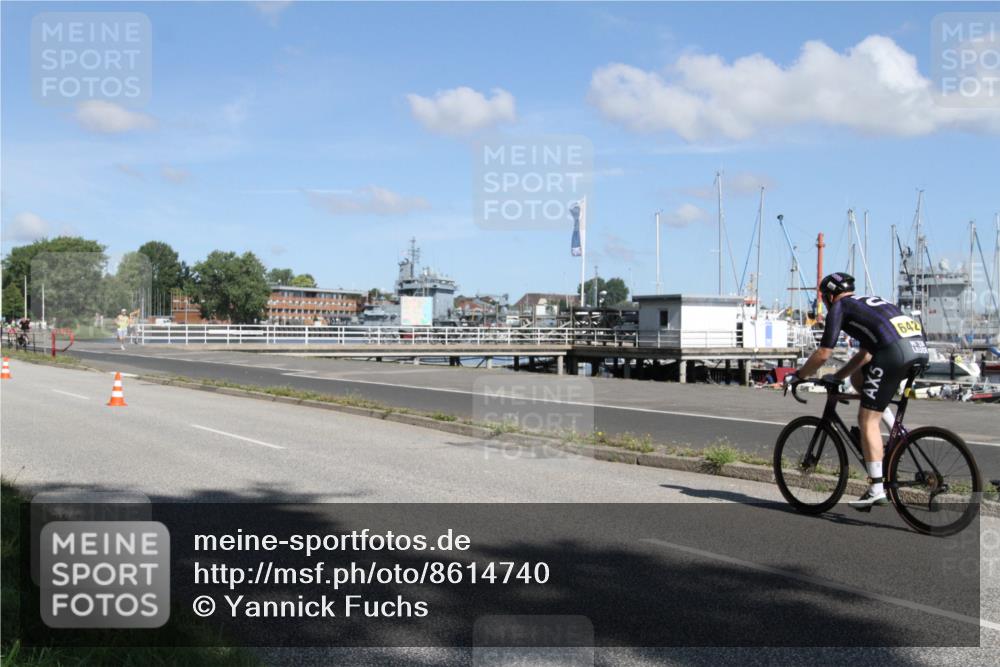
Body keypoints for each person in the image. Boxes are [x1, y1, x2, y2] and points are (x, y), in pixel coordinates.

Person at [785, 273, 929, 510]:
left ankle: (876, 489)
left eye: (824, 298)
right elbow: (865, 354)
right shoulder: (869, 303)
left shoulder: (840, 307)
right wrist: (838, 376)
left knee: (867, 419)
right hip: (918, 350)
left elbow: (823, 353)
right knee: (858, 378)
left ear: (829, 296)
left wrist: (799, 375)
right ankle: (895, 435)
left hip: (895, 352)